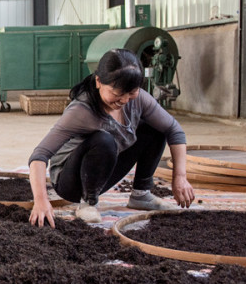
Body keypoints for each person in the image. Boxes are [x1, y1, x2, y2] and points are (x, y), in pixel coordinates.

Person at [27, 48, 195, 227]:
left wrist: (180, 177)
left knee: (156, 128)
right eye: (117, 93)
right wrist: (41, 200)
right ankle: (88, 203)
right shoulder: (82, 111)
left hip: (102, 172)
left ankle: (141, 194)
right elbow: (39, 156)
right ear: (98, 81)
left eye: (131, 93)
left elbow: (174, 130)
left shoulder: (138, 100)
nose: (123, 100)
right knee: (104, 140)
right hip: (70, 181)